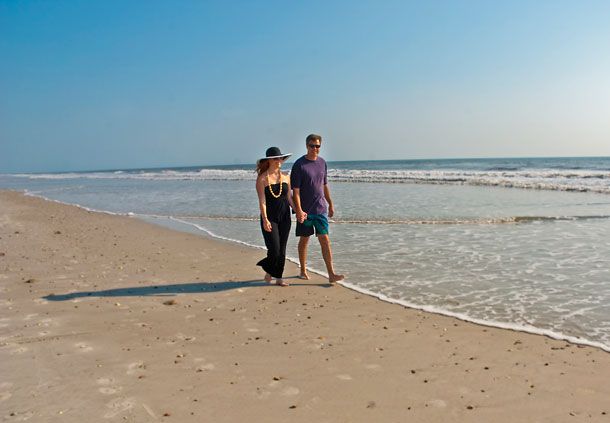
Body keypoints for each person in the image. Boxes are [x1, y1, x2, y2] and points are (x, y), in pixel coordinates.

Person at [291, 134, 344, 284]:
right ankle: (302, 270)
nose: (315, 148)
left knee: (325, 240)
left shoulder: (322, 163)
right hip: (306, 212)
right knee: (304, 240)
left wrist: (331, 203)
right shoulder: (299, 165)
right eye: (312, 145)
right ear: (306, 146)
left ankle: (331, 274)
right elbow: (296, 191)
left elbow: (324, 185)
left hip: (321, 209)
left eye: (318, 146)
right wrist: (299, 210)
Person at [255, 147, 294, 286]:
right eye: (276, 158)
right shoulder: (262, 178)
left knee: (282, 249)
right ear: (269, 161)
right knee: (275, 249)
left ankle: (278, 277)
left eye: (281, 158)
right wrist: (265, 219)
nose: (279, 161)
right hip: (270, 217)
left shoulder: (286, 177)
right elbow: (262, 201)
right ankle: (268, 268)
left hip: (285, 216)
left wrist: (298, 211)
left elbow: (289, 197)